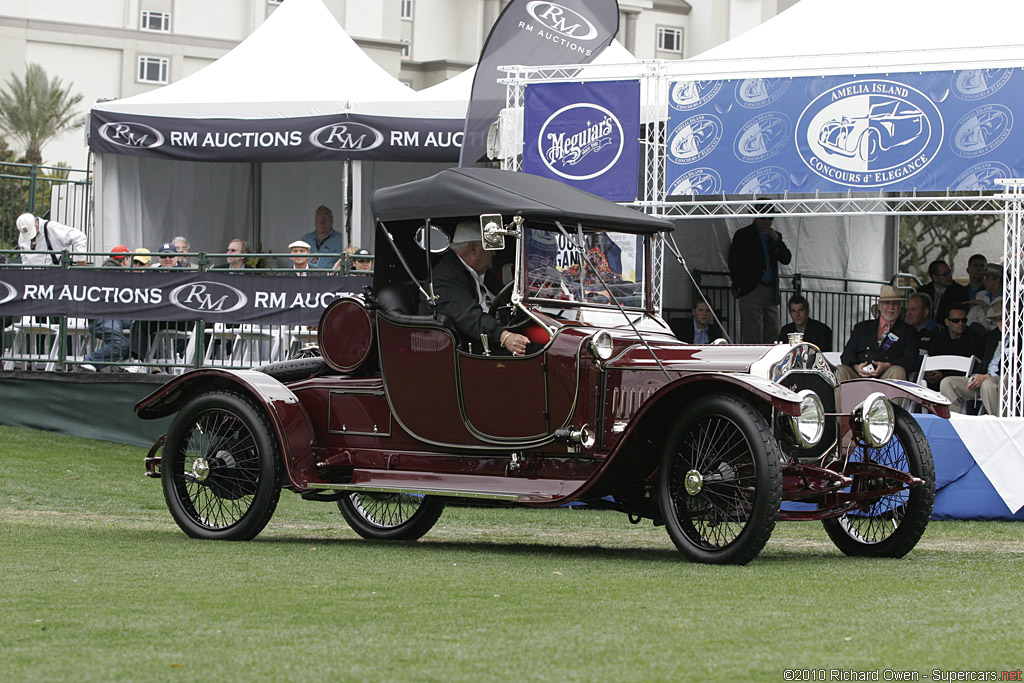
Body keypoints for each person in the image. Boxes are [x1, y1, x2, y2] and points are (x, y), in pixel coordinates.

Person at [423, 220, 529, 356]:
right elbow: (468, 316)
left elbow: (505, 300)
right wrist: (504, 336)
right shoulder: (444, 277)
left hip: (491, 338)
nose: (494, 253)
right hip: (469, 348)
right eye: (489, 248)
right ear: (473, 249)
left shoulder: (481, 273)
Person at [728, 204, 792, 344]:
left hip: (770, 290)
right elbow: (734, 262)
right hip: (752, 288)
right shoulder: (744, 235)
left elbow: (786, 259)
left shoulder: (774, 237)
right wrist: (738, 286)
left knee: (773, 331)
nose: (767, 221)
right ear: (756, 216)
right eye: (763, 217)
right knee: (753, 332)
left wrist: (777, 240)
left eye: (770, 217)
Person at [837, 285, 918, 381]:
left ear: (900, 307)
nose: (891, 307)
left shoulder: (908, 331)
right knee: (840, 370)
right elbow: (847, 354)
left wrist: (887, 365)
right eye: (887, 303)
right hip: (860, 376)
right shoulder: (862, 327)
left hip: (887, 378)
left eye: (895, 304)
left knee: (898, 370)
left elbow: (912, 360)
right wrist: (856, 367)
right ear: (879, 306)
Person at [940, 300, 1005, 415]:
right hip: (983, 378)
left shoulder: (1020, 336)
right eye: (999, 319)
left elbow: (1014, 367)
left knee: (988, 384)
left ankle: (1000, 426)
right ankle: (953, 426)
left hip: (1002, 380)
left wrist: (987, 376)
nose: (1004, 323)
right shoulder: (993, 336)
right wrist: (976, 376)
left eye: (1006, 318)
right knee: (948, 383)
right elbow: (984, 361)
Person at [80, 246, 132, 371]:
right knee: (120, 346)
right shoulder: (116, 273)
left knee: (141, 325)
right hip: (105, 318)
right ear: (125, 260)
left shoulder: (105, 271)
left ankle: (129, 359)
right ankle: (90, 360)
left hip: (111, 317)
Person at [923, 303, 984, 390]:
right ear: (947, 322)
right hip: (935, 383)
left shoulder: (973, 338)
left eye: (964, 320)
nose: (960, 323)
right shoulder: (939, 337)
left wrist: (943, 375)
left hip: (961, 384)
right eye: (956, 320)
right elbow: (932, 357)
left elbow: (973, 368)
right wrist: (929, 373)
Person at [15, 212, 88, 266]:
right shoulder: (23, 233)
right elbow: (24, 255)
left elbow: (79, 236)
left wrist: (80, 260)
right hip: (32, 277)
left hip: (52, 275)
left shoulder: (51, 227)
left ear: (36, 222)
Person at [916, 259, 969, 325]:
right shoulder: (923, 291)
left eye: (950, 272)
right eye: (945, 274)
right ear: (935, 277)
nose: (950, 276)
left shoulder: (960, 291)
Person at [904, 292, 938, 367]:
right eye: (907, 310)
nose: (908, 314)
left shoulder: (937, 332)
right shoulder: (904, 330)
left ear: (925, 312)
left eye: (913, 310)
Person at [966, 263, 1002, 333]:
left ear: (997, 279)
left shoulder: (1008, 297)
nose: (984, 281)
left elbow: (999, 319)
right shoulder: (981, 295)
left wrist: (984, 306)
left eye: (987, 278)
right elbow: (970, 318)